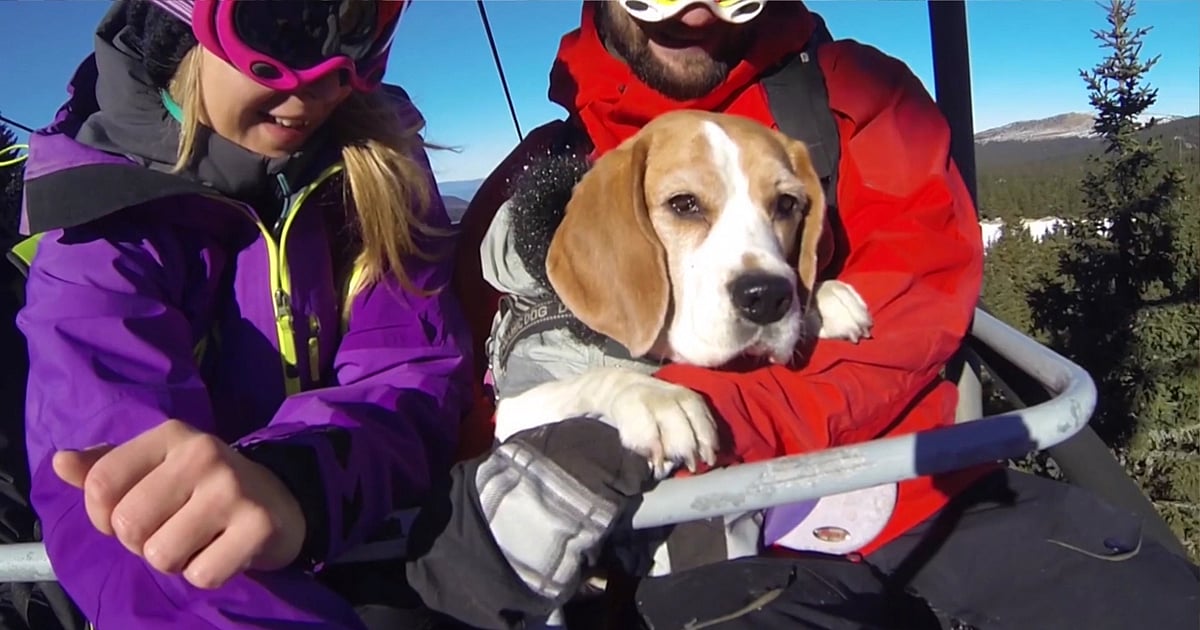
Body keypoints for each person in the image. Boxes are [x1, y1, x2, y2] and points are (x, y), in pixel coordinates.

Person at [436, 1, 1200, 628]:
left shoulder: (858, 103)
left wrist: (727, 386)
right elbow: (473, 402)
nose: (699, 13)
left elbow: (910, 309)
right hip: (694, 545)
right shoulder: (534, 185)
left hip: (922, 493)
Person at [11, 0, 473, 628]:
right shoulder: (99, 228)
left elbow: (411, 369)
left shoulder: (376, 169)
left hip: (380, 545)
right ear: (180, 26)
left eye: (361, 27)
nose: (329, 76)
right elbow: (120, 509)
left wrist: (297, 479)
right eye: (282, 24)